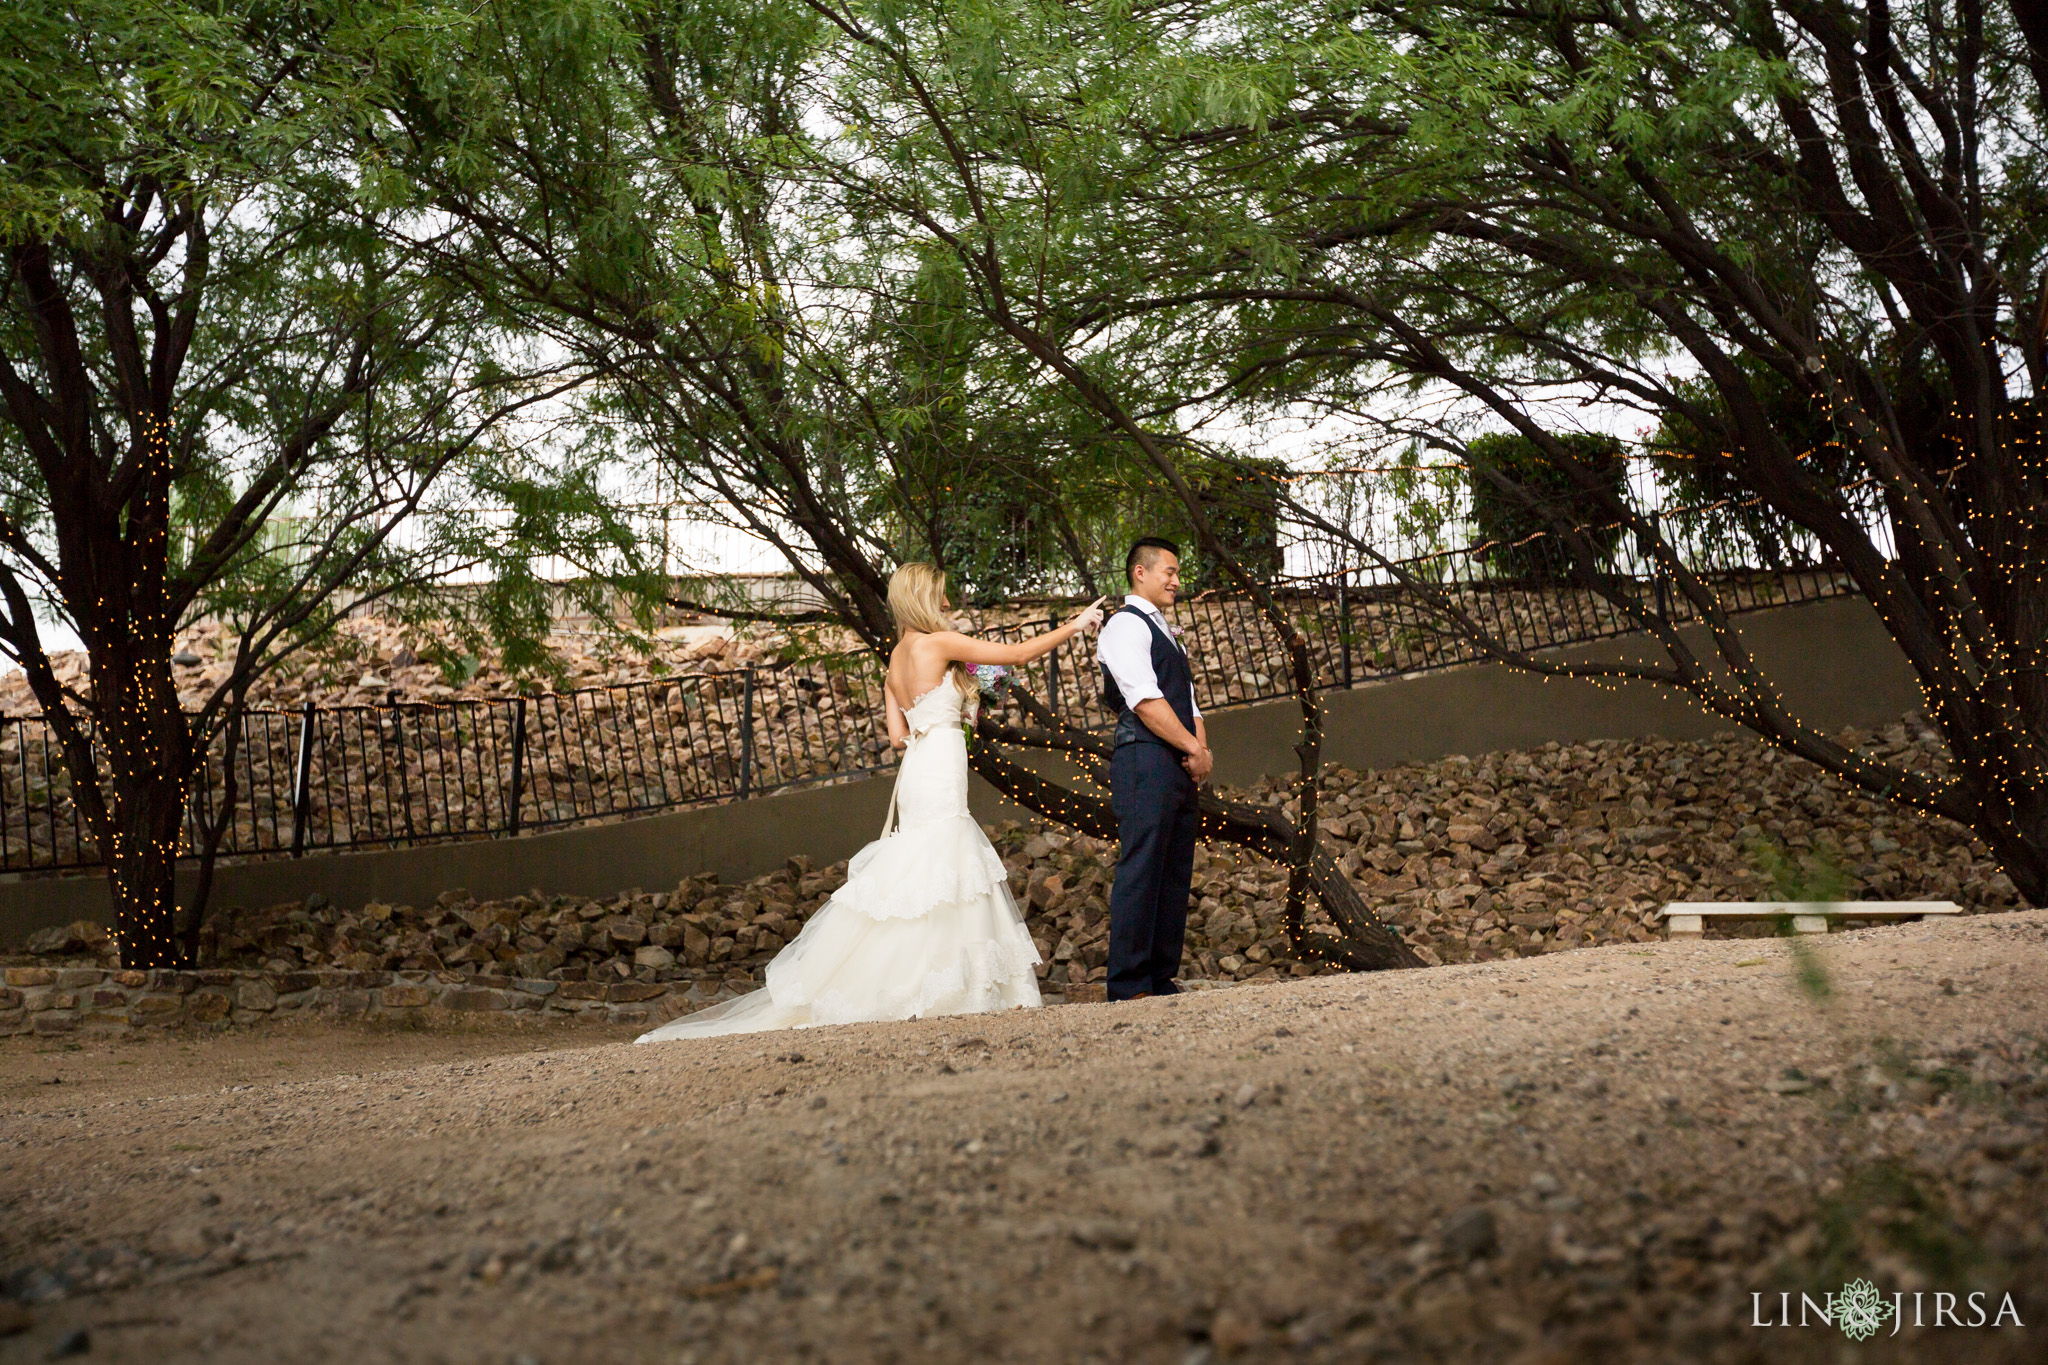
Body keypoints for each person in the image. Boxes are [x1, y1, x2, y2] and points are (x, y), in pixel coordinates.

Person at [637, 565, 1105, 1042]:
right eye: (941, 593)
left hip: (918, 767)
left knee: (923, 866)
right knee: (948, 860)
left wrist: (944, 714)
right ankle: (949, 987)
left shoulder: (898, 659)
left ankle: (917, 980)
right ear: (924, 597)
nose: (947, 600)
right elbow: (1019, 654)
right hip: (939, 759)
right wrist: (1076, 623)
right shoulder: (938, 644)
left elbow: (899, 737)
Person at [1096, 537, 1210, 1002]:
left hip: (1179, 761)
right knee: (1142, 866)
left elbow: (1190, 700)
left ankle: (1160, 978)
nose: (1177, 581)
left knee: (1174, 868)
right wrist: (1191, 748)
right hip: (1144, 757)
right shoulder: (1124, 626)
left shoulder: (1164, 630)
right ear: (1139, 573)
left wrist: (1200, 750)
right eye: (1169, 571)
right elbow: (1144, 700)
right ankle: (1128, 984)